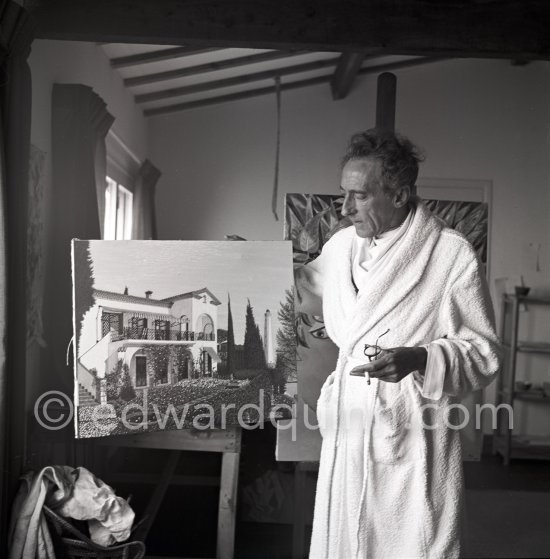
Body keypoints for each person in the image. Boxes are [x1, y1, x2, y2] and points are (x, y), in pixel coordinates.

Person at [297, 129, 502, 558]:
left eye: (359, 196)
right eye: (343, 194)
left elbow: (483, 354)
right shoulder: (340, 247)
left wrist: (420, 358)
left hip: (412, 426)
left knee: (412, 538)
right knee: (345, 537)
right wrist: (254, 264)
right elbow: (304, 291)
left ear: (399, 194)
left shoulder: (450, 255)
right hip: (351, 422)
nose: (345, 207)